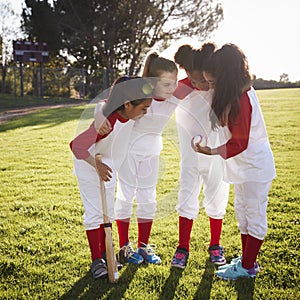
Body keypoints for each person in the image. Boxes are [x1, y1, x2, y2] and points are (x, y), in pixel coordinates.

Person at [192, 43, 276, 280]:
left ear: (226, 78)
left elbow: (240, 143)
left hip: (254, 168)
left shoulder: (244, 98)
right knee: (243, 213)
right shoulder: (235, 95)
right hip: (243, 167)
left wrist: (211, 151)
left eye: (213, 83)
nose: (210, 87)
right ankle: (246, 260)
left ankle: (248, 267)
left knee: (254, 215)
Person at [69, 76, 152, 279]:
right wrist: (96, 165)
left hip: (107, 164)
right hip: (89, 164)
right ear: (127, 104)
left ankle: (108, 255)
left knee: (108, 212)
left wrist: (99, 108)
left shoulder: (127, 116)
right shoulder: (108, 122)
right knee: (94, 214)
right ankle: (96, 260)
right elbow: (76, 146)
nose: (145, 112)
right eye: (143, 108)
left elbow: (105, 101)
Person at [114, 53, 179, 265]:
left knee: (148, 199)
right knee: (125, 196)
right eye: (167, 84)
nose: (173, 88)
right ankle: (124, 247)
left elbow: (199, 82)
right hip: (128, 153)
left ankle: (143, 247)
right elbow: (110, 102)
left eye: (175, 83)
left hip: (152, 154)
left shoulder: (175, 97)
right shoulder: (139, 94)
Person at [170, 43, 230, 269]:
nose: (200, 85)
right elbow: (154, 101)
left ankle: (215, 245)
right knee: (186, 198)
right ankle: (182, 247)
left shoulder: (218, 86)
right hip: (190, 159)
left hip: (216, 156)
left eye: (203, 81)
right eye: (194, 81)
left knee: (217, 199)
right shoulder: (181, 88)